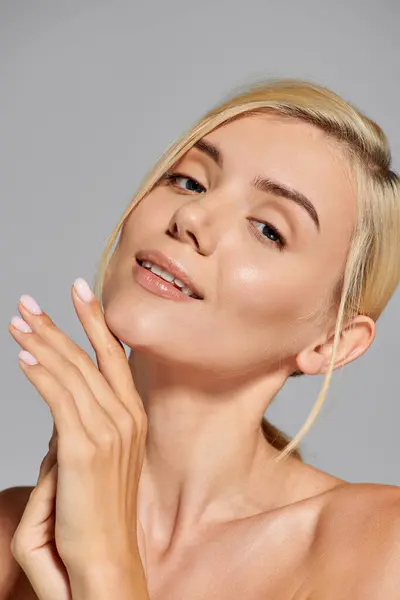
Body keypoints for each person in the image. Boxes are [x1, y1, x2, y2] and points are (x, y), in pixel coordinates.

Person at [1, 78, 400, 599]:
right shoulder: (11, 532)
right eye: (190, 181)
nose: (190, 218)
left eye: (268, 229)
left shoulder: (380, 549)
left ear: (332, 343)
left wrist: (106, 568)